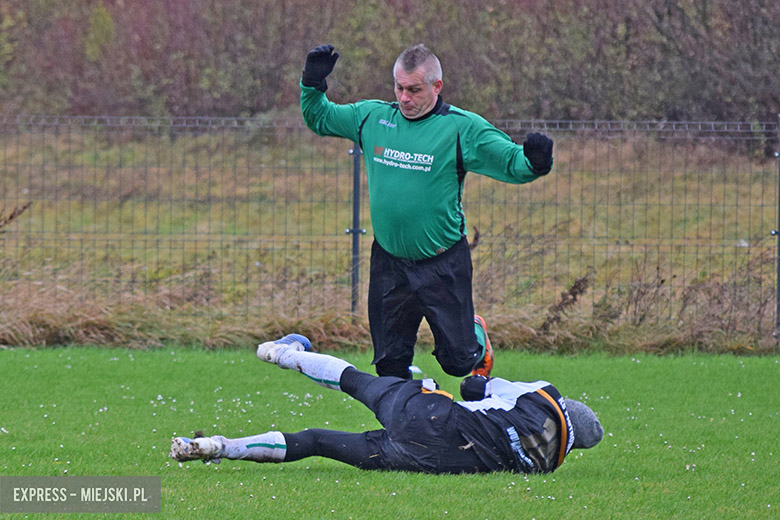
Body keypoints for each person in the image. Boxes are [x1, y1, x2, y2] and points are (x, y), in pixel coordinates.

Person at [299, 43, 554, 380]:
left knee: (459, 363)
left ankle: (475, 334)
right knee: (389, 364)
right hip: (389, 263)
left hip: (442, 264)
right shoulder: (372, 118)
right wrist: (311, 84)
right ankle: (407, 428)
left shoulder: (461, 128)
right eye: (399, 88)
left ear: (437, 87)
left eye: (414, 90)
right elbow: (320, 118)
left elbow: (511, 162)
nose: (405, 98)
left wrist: (536, 162)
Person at [170, 334, 603, 474]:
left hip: (431, 416)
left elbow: (474, 391)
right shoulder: (546, 464)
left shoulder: (543, 394)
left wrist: (482, 370)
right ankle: (221, 447)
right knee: (318, 440)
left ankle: (287, 352)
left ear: (568, 405)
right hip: (425, 458)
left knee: (354, 381)